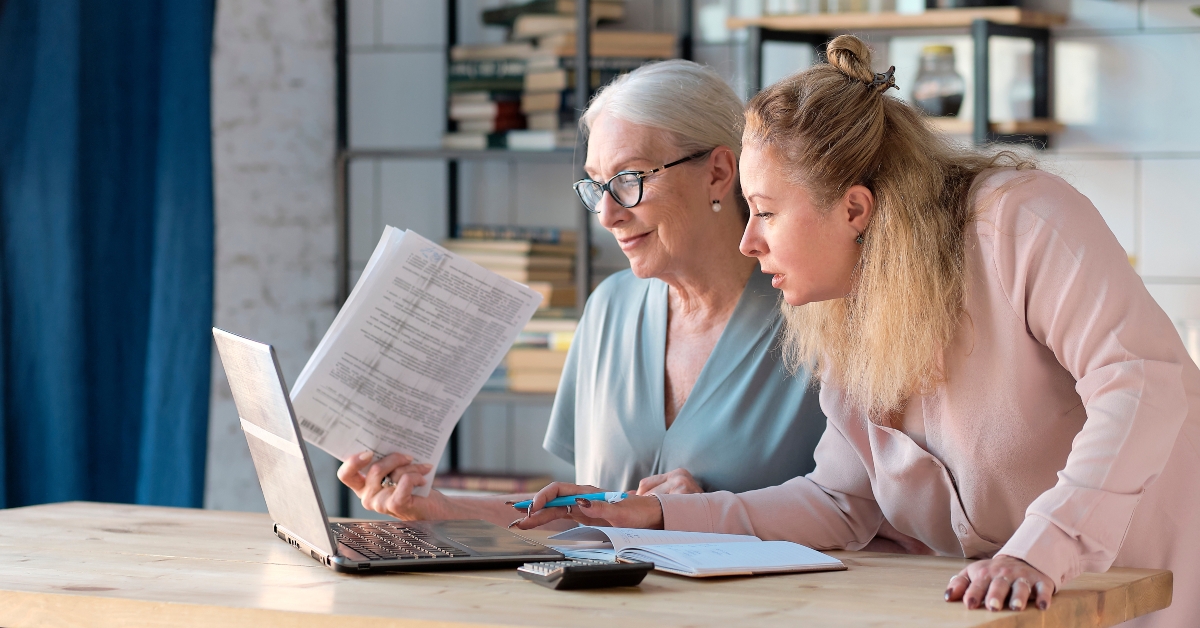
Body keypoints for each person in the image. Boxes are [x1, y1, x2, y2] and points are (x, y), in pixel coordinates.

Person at [514, 36, 1200, 626]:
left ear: (854, 208)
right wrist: (660, 519)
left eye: (766, 212)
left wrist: (1042, 545)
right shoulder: (839, 306)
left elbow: (1143, 382)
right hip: (1014, 607)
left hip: (1148, 591)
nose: (748, 241)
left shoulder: (1019, 223)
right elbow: (840, 503)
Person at [336, 60, 828, 529]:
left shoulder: (818, 314)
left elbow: (859, 517)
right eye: (596, 187)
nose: (607, 214)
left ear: (720, 172)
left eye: (629, 179)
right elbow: (579, 519)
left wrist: (703, 515)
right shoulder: (609, 308)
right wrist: (435, 506)